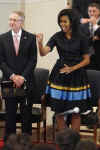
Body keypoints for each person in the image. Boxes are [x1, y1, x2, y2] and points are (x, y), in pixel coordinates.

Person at [37, 8, 92, 132]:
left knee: (76, 112)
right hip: (60, 76)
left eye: (65, 21)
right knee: (59, 110)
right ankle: (64, 141)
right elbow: (43, 53)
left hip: (77, 77)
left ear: (72, 21)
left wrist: (72, 68)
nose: (62, 24)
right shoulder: (57, 36)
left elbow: (87, 60)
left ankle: (74, 142)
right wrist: (39, 43)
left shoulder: (82, 37)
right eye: (60, 21)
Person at [0, 11, 37, 140]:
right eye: (10, 19)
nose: (11, 22)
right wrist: (13, 76)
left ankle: (26, 144)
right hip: (9, 83)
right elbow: (1, 61)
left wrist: (22, 77)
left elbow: (33, 60)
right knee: (10, 116)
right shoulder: (2, 38)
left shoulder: (31, 38)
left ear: (21, 22)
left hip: (26, 82)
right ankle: (10, 144)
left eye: (15, 20)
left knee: (26, 116)